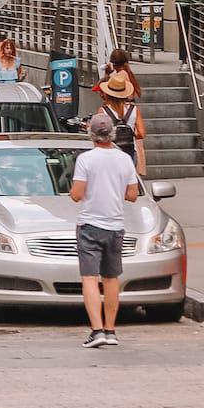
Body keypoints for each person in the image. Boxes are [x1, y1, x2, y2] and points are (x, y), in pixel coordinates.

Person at [69, 111, 141, 347]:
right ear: (112, 134)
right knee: (111, 279)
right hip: (115, 226)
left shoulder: (86, 160)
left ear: (91, 134)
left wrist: (75, 191)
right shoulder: (124, 159)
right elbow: (132, 195)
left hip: (90, 224)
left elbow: (77, 194)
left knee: (90, 279)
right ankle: (111, 330)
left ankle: (96, 330)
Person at [93, 52, 145, 163]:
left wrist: (107, 74)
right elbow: (141, 133)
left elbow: (98, 133)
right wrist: (129, 133)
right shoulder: (133, 109)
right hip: (129, 152)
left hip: (110, 152)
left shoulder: (104, 110)